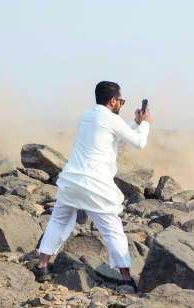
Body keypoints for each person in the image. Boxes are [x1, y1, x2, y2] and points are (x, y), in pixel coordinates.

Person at [33, 81, 153, 289]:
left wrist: (135, 123)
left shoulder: (87, 116)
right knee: (112, 229)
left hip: (71, 181)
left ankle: (42, 266)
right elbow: (139, 142)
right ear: (113, 100)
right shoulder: (111, 119)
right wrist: (146, 123)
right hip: (95, 185)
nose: (121, 104)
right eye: (121, 101)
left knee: (59, 220)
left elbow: (114, 137)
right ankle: (126, 279)